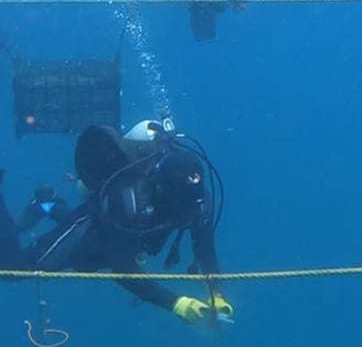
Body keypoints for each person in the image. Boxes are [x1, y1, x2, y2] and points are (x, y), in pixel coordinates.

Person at [0, 119, 232, 325]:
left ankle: (46, 204)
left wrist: (216, 293)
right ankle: (42, 204)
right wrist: (174, 302)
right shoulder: (128, 197)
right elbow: (122, 267)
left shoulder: (197, 199)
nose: (186, 212)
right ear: (160, 189)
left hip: (123, 236)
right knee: (13, 269)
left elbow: (205, 247)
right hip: (95, 226)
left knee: (89, 257)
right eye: (181, 205)